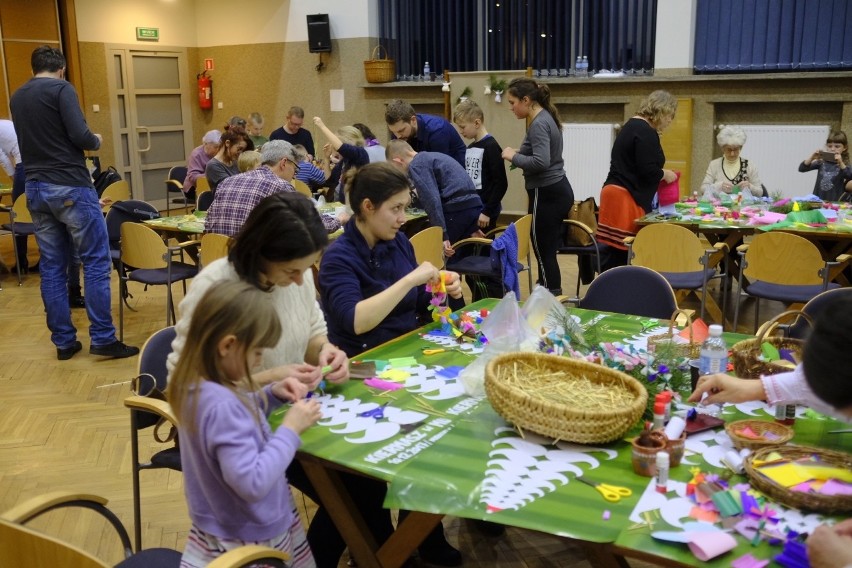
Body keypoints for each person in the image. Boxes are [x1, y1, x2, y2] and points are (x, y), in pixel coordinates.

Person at [167, 193, 396, 568]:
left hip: (279, 410)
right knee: (353, 492)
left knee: (366, 480)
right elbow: (186, 381)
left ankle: (372, 553)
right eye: (293, 271)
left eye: (307, 269)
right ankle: (377, 555)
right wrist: (271, 375)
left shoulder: (298, 277)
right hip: (256, 431)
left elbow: (313, 333)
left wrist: (326, 352)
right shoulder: (217, 286)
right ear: (264, 253)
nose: (301, 279)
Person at [318, 162, 465, 566]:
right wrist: (410, 281)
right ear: (368, 206)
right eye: (396, 209)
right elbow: (354, 320)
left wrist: (444, 285)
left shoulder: (397, 242)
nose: (403, 218)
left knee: (447, 425)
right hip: (361, 369)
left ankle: (424, 534)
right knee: (413, 437)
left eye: (405, 208)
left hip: (406, 357)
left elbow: (420, 304)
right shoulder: (338, 257)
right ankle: (389, 546)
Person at [168, 280, 321, 567]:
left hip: (221, 525)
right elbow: (252, 482)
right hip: (252, 535)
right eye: (257, 354)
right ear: (228, 345)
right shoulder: (222, 404)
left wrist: (269, 394)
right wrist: (290, 429)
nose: (259, 363)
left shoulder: (198, 386)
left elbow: (233, 417)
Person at [10, 45, 138, 360]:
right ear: (62, 69)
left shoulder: (18, 96)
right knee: (95, 262)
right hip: (69, 185)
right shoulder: (61, 89)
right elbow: (81, 136)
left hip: (35, 188)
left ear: (33, 68)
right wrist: (97, 140)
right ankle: (103, 338)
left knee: (52, 267)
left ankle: (64, 343)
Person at [501, 78, 574, 295]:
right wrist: (519, 154)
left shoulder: (540, 123)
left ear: (526, 100)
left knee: (543, 251)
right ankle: (549, 295)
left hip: (547, 192)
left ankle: (550, 298)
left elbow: (541, 162)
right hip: (553, 190)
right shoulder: (542, 118)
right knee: (546, 249)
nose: (511, 107)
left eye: (513, 102)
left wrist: (513, 156)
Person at [598, 90, 678, 270]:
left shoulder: (631, 125)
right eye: (670, 116)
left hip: (613, 191)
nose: (670, 121)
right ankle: (622, 293)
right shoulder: (646, 131)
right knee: (625, 253)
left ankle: (608, 291)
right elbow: (647, 170)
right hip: (626, 196)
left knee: (612, 253)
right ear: (662, 111)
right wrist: (665, 174)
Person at [386, 139, 483, 258]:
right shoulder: (432, 156)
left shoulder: (417, 164)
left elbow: (432, 200)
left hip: (456, 209)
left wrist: (442, 234)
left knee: (440, 256)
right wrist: (471, 226)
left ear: (398, 161)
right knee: (461, 257)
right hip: (472, 206)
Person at [204, 141, 299, 237]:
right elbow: (294, 232)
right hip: (252, 251)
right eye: (295, 169)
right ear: (283, 163)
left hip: (216, 250)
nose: (294, 175)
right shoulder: (282, 187)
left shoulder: (226, 182)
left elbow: (208, 225)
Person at [453, 100, 508, 232]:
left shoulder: (491, 146)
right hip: (474, 208)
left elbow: (501, 183)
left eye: (462, 127)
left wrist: (487, 211)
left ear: (477, 123)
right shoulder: (470, 147)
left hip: (486, 211)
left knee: (485, 250)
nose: (460, 131)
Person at [385, 99, 466, 167]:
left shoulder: (437, 131)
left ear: (413, 120)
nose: (397, 136)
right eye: (393, 132)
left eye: (401, 130)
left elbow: (439, 169)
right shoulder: (399, 133)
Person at [312, 117, 370, 202]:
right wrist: (327, 158)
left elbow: (342, 147)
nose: (334, 146)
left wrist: (322, 126)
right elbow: (330, 181)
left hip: (355, 204)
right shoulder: (344, 161)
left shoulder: (360, 154)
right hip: (342, 205)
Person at [701, 126, 763, 200]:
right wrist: (719, 186)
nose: (732, 154)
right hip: (720, 208)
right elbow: (703, 189)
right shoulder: (714, 164)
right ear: (722, 148)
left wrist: (749, 186)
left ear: (741, 148)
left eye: (736, 149)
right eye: (729, 150)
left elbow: (760, 192)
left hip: (743, 208)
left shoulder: (749, 165)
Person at [0, 118, 30, 272]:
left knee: (18, 213)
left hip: (23, 165)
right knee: (38, 212)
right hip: (36, 161)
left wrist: (14, 179)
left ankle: (21, 261)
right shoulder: (5, 123)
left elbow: (3, 158)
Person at [799, 130, 852, 202]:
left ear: (844, 148)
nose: (832, 149)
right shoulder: (821, 162)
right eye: (829, 146)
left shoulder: (844, 164)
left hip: (835, 200)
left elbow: (849, 175)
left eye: (837, 146)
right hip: (818, 199)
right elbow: (802, 168)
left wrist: (841, 163)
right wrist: (812, 158)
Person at [205, 124, 252, 193]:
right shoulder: (213, 165)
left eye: (243, 150)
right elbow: (230, 187)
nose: (240, 153)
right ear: (227, 143)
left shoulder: (236, 162)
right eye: (239, 149)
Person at [183, 129, 221, 199]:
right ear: (206, 144)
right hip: (193, 187)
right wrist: (212, 175)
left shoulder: (219, 153)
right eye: (215, 147)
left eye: (220, 147)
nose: (218, 149)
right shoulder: (196, 154)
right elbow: (193, 177)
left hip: (212, 185)